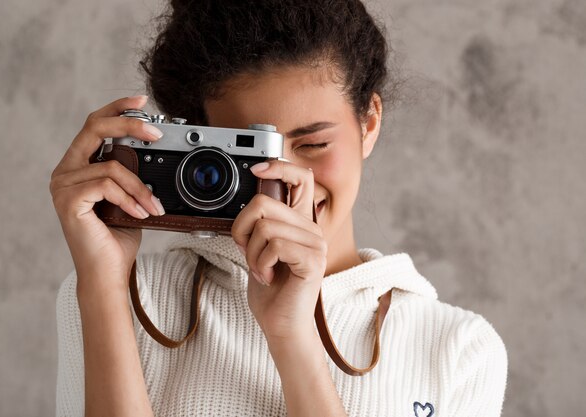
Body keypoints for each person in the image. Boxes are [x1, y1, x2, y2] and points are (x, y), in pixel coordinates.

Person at [50, 1, 508, 416]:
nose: (286, 177)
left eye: (313, 143)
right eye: (248, 154)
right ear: (200, 145)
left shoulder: (457, 350)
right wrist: (104, 285)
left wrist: (291, 333)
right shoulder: (124, 296)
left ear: (369, 122)